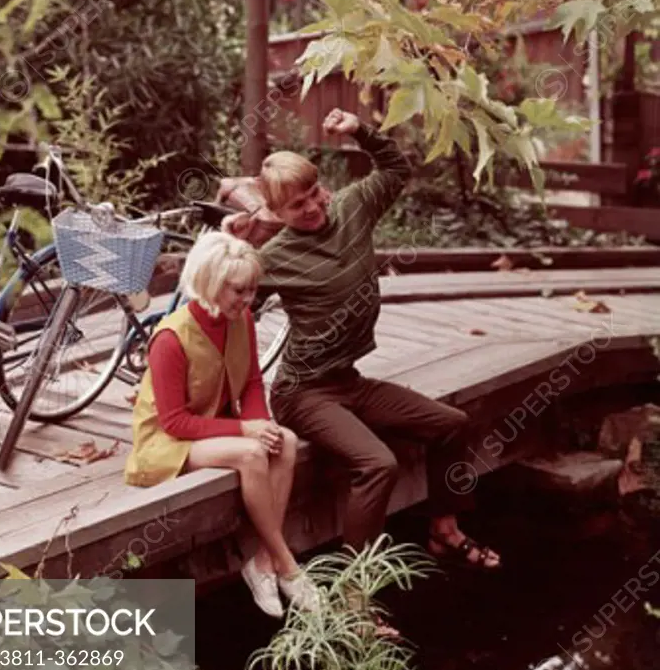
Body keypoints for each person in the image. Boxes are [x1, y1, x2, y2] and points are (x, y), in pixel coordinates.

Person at [224, 107, 501, 576]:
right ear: (275, 212)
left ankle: (444, 532)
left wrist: (360, 132)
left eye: (313, 194)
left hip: (349, 382)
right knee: (378, 464)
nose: (311, 208)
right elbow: (221, 299)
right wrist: (228, 246)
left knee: (454, 424)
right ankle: (355, 591)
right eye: (297, 205)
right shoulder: (272, 257)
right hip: (303, 393)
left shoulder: (353, 206)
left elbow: (396, 170)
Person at [125, 231, 319, 617]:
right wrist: (246, 431)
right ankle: (287, 565)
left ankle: (262, 562)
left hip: (214, 425)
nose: (248, 299)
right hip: (164, 442)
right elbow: (174, 420)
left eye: (251, 290)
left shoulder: (240, 319)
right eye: (238, 291)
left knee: (287, 441)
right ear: (211, 283)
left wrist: (261, 424)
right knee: (250, 454)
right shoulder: (170, 338)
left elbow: (250, 381)